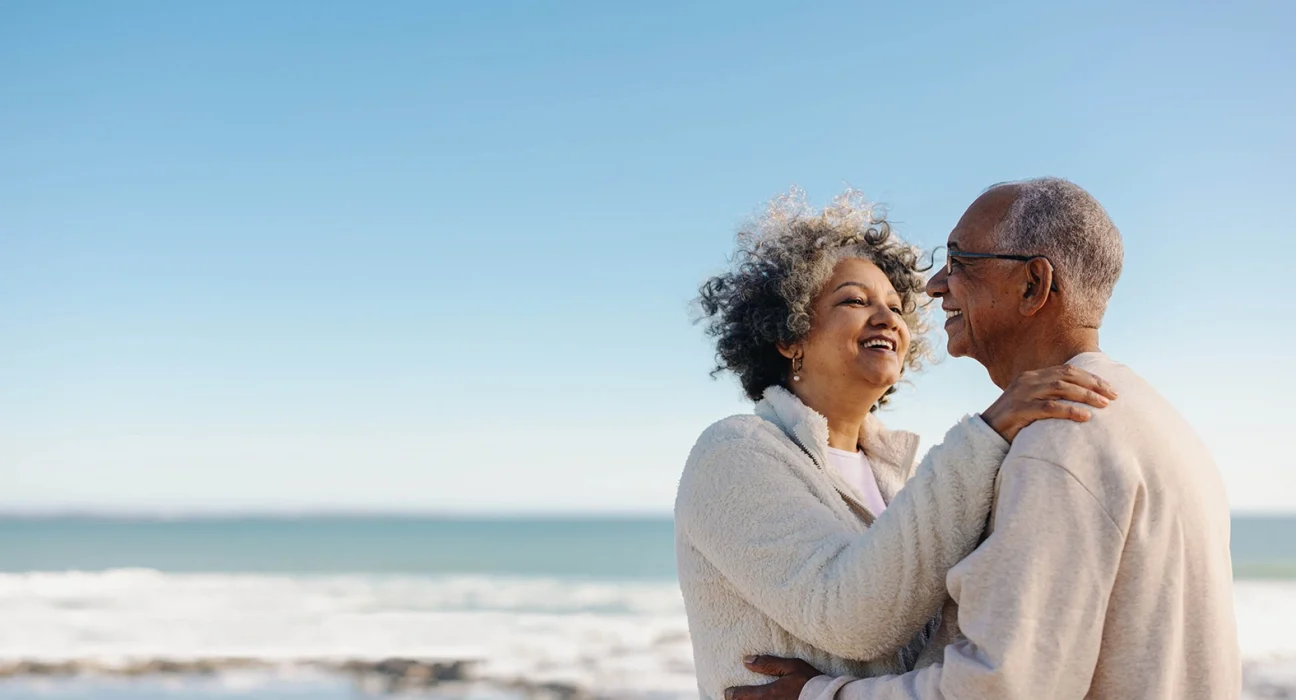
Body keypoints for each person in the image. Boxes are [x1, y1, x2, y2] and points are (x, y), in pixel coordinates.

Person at [729, 179, 1242, 700]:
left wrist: (819, 696)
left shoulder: (1060, 436)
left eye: (959, 261)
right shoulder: (1159, 423)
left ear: (1032, 285)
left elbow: (1000, 687)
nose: (933, 287)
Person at [676, 189, 1117, 700]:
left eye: (895, 306)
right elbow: (850, 616)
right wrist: (988, 432)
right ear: (790, 335)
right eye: (855, 301)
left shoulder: (895, 475)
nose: (887, 318)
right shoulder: (734, 453)